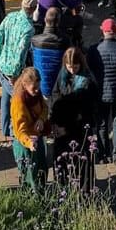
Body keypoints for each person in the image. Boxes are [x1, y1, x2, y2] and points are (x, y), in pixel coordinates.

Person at [50, 47, 97, 191]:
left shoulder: (87, 81)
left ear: (80, 64)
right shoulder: (62, 75)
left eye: (75, 66)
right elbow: (55, 95)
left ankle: (85, 192)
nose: (72, 70)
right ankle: (62, 187)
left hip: (80, 126)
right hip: (63, 126)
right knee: (61, 160)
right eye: (69, 66)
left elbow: (88, 107)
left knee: (84, 161)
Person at [87, 18, 116, 162]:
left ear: (103, 31)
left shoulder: (94, 49)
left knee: (102, 124)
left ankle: (101, 153)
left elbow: (90, 70)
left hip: (100, 93)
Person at [0, 0, 38, 137]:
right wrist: (15, 75)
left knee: (5, 98)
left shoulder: (10, 17)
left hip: (1, 65)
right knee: (20, 102)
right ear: (34, 9)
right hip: (13, 72)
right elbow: (21, 53)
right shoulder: (28, 28)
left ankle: (5, 129)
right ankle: (15, 132)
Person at [11, 67, 49, 193]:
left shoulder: (36, 95)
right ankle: (32, 203)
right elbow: (19, 130)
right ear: (24, 84)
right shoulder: (18, 102)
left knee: (42, 170)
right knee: (30, 176)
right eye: (34, 88)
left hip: (37, 137)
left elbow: (44, 108)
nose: (37, 90)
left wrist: (41, 120)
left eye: (38, 86)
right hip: (25, 143)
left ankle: (42, 197)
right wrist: (29, 142)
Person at [31, 7, 69, 99]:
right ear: (59, 22)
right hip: (59, 88)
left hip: (40, 87)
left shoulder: (35, 40)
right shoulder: (65, 40)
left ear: (45, 19)